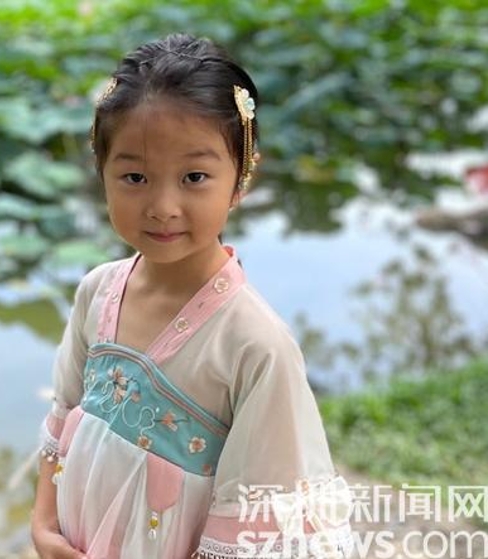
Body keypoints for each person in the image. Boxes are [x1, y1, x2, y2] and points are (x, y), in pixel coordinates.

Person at [30, 33, 354, 559]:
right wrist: (45, 525)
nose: (163, 206)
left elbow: (261, 516)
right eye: (135, 176)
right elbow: (63, 417)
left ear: (241, 179)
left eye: (194, 177)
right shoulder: (98, 292)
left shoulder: (255, 346)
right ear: (102, 172)